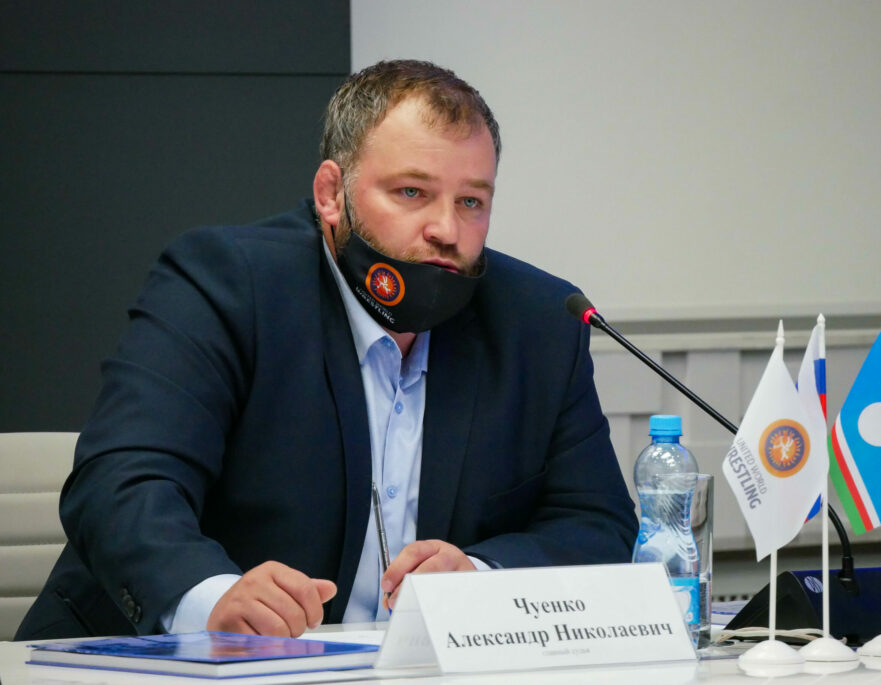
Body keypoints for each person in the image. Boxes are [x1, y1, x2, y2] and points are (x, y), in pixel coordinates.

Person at [16, 60, 637, 641]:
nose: (446, 230)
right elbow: (122, 482)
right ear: (330, 193)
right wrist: (211, 598)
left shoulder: (538, 322)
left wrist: (480, 576)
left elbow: (596, 523)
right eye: (411, 192)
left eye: (471, 202)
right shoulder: (226, 285)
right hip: (157, 661)